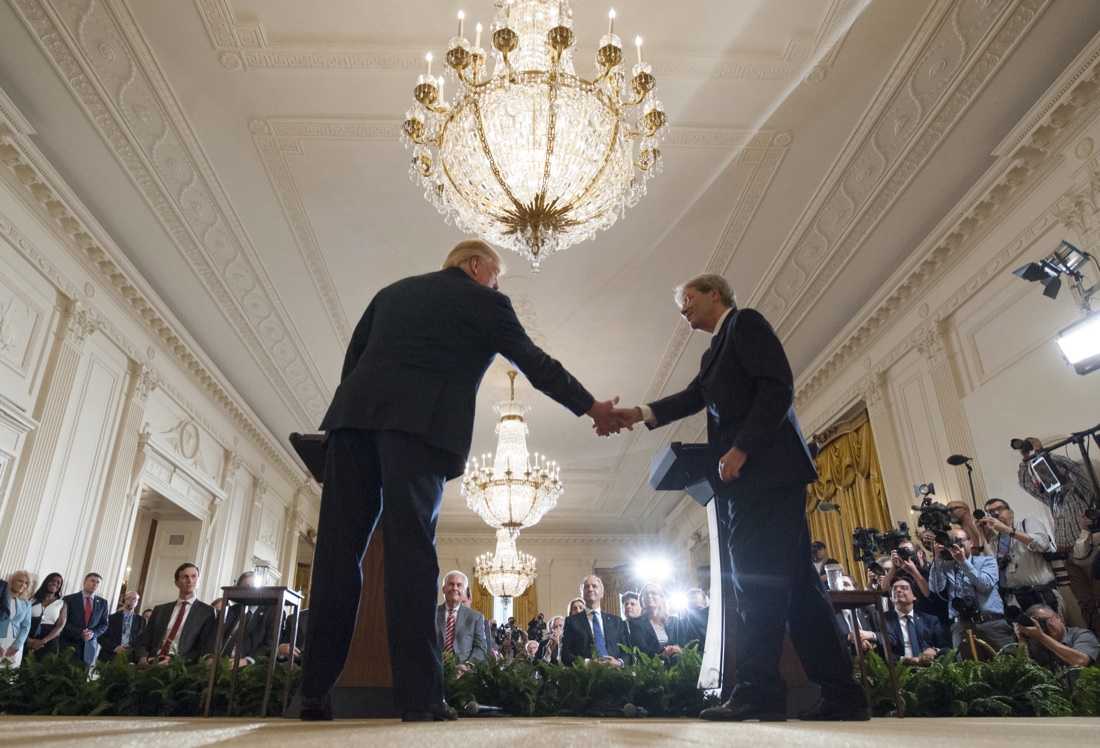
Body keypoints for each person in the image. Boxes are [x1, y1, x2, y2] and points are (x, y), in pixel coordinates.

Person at [298, 240, 624, 723]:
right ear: (475, 266)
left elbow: (354, 363)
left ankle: (313, 693)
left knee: (337, 556)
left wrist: (348, 421)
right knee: (411, 555)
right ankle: (418, 698)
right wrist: (592, 406)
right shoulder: (484, 300)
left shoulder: (391, 293)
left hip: (352, 423)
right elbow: (533, 363)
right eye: (497, 275)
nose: (498, 284)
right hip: (418, 430)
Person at [613, 273, 865, 722]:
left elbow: (778, 386)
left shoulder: (745, 323)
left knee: (753, 583)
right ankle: (844, 696)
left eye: (688, 299)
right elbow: (695, 396)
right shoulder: (715, 351)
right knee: (801, 591)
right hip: (760, 480)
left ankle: (759, 692)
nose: (683, 310)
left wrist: (742, 447)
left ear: (715, 294)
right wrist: (642, 413)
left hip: (762, 473)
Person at [1015, 437, 1100, 635]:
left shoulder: (1083, 489)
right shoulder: (1055, 496)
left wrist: (1042, 453)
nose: (1044, 473)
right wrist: (1026, 458)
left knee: (1099, 597)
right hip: (1066, 553)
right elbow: (1026, 485)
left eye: (1048, 468)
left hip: (1088, 550)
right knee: (1085, 602)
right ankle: (1096, 640)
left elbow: (1073, 467)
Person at [928, 529, 1015, 654]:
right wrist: (937, 559)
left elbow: (985, 585)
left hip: (991, 624)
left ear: (971, 543)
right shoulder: (945, 565)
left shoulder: (987, 561)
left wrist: (963, 561)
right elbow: (936, 588)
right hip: (961, 626)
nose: (955, 545)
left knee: (1008, 664)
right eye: (950, 542)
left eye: (959, 540)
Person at [978, 498, 1061, 613]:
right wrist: (980, 533)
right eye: (991, 511)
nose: (996, 513)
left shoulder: (1027, 523)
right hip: (1016, 596)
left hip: (1040, 591)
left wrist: (1007, 530)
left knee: (1053, 628)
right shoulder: (996, 540)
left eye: (999, 509)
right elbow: (991, 563)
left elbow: (1042, 544)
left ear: (1011, 512)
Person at [133, 563, 216, 665]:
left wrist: (176, 661)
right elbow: (144, 642)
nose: (190, 580)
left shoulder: (207, 612)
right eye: (185, 577)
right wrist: (143, 659)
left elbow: (205, 649)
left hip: (182, 667)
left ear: (198, 581)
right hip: (152, 663)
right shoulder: (160, 610)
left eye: (194, 576)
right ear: (177, 583)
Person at [560, 575, 631, 667]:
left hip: (615, 675)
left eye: (594, 586)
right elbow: (565, 654)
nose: (590, 589)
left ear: (602, 593)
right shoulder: (571, 621)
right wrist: (587, 663)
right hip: (585, 676)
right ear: (582, 594)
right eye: (586, 587)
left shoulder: (617, 621)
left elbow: (628, 651)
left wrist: (619, 662)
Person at [1015, 603, 1099, 673]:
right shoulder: (1036, 645)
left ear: (1058, 617)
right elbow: (1022, 675)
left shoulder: (1082, 635)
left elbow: (1081, 661)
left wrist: (1041, 637)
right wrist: (1022, 642)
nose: (1045, 626)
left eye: (1045, 620)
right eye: (1039, 624)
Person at [630, 582, 701, 660]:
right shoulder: (635, 623)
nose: (649, 596)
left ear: (662, 599)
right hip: (652, 666)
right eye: (646, 594)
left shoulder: (675, 621)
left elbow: (682, 645)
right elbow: (641, 650)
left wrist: (675, 650)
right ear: (642, 600)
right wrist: (663, 654)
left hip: (677, 661)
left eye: (654, 593)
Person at [884, 578, 946, 666]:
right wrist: (903, 660)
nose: (898, 590)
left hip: (928, 669)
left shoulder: (930, 620)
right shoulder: (883, 619)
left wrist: (934, 650)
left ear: (914, 596)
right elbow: (880, 652)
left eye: (904, 587)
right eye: (894, 588)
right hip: (899, 669)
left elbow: (945, 647)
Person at [435, 571, 488, 667]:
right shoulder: (432, 614)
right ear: (443, 589)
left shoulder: (476, 618)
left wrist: (466, 666)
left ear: (464, 591)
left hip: (464, 676)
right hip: (435, 672)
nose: (455, 588)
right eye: (451, 584)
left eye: (459, 585)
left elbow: (480, 648)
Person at [58, 572, 109, 667]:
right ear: (84, 582)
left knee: (82, 677)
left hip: (89, 646)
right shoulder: (69, 599)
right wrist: (79, 633)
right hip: (69, 643)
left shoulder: (103, 603)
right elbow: (63, 621)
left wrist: (93, 633)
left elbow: (104, 624)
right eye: (92, 581)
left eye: (98, 582)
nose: (95, 584)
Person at [97, 590, 146, 664]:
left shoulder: (141, 620)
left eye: (135, 599)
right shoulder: (111, 618)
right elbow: (101, 636)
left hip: (130, 658)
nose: (132, 601)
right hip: (109, 656)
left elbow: (142, 639)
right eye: (129, 598)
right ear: (124, 600)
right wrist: (116, 647)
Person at [25, 572, 65, 656]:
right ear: (46, 582)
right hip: (29, 637)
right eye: (52, 580)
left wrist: (43, 641)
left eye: (58, 582)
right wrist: (28, 639)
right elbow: (23, 620)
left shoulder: (61, 603)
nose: (55, 583)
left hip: (49, 640)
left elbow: (60, 626)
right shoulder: (32, 600)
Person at [0, 571, 32, 667]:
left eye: (26, 583)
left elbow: (26, 626)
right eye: (20, 581)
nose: (23, 585)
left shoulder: (27, 604)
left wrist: (18, 644)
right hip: (1, 640)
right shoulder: (2, 599)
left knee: (10, 676)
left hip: (15, 644)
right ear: (12, 581)